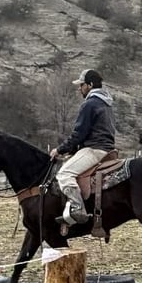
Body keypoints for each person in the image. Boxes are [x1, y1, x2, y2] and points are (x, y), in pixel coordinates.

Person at [49, 69, 116, 225]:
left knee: (64, 174)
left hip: (94, 149)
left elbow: (79, 134)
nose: (79, 88)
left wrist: (59, 150)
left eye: (82, 85)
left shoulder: (90, 104)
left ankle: (78, 208)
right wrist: (71, 151)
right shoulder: (107, 103)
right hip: (107, 148)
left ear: (90, 85)